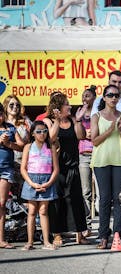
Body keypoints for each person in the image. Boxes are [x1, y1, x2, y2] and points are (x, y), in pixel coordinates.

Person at [90, 85, 121, 250]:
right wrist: (109, 130)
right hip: (101, 161)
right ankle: (103, 236)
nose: (113, 98)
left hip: (120, 161)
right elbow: (94, 141)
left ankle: (117, 234)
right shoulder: (96, 116)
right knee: (105, 199)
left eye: (116, 95)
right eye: (110, 95)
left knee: (118, 200)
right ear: (104, 97)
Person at [43, 92, 89, 247]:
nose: (69, 106)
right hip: (56, 168)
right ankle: (56, 234)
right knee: (57, 201)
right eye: (66, 104)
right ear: (58, 107)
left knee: (76, 200)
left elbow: (81, 136)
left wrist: (78, 120)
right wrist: (57, 120)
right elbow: (51, 138)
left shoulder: (72, 120)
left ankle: (80, 233)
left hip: (73, 166)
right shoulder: (48, 121)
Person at [20, 121, 59, 250]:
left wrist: (48, 183)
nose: (42, 134)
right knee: (31, 211)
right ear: (33, 133)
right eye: (39, 131)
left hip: (46, 180)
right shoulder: (28, 147)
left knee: (43, 211)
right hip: (32, 179)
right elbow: (23, 168)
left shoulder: (51, 147)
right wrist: (32, 183)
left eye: (45, 131)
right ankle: (30, 242)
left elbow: (56, 169)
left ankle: (46, 241)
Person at [0, 104, 24, 249]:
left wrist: (8, 144)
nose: (0, 117)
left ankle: (1, 239)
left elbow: (21, 145)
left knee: (2, 203)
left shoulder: (10, 127)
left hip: (5, 169)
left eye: (1, 114)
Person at [3, 94, 32, 196]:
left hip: (23, 163)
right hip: (6, 163)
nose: (15, 107)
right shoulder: (3, 123)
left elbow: (31, 141)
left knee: (22, 196)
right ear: (5, 107)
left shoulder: (25, 122)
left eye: (17, 105)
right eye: (11, 105)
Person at [78, 85, 97, 237]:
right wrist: (84, 133)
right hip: (83, 154)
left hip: (98, 153)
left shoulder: (99, 112)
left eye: (88, 96)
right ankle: (87, 225)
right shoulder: (78, 113)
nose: (85, 99)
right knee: (86, 191)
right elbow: (76, 132)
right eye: (83, 96)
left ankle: (103, 226)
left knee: (101, 192)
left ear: (94, 98)